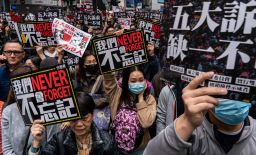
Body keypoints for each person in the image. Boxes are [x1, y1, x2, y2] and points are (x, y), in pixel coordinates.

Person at [144, 72, 256, 155]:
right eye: (222, 92)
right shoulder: (191, 134)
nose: (232, 99)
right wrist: (186, 123)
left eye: (240, 94)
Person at [28, 92, 119, 155]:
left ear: (92, 115)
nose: (79, 124)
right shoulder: (59, 139)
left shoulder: (107, 141)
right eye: (74, 119)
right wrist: (36, 141)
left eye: (84, 118)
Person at [1, 65, 60, 155]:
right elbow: (7, 149)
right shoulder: (8, 111)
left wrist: (36, 144)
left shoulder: (49, 108)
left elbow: (53, 147)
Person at [103, 66, 156, 154]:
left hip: (139, 148)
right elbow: (108, 78)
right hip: (116, 146)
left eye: (141, 80)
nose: (137, 83)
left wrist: (141, 98)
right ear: (126, 82)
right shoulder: (117, 94)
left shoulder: (150, 99)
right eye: (133, 81)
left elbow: (146, 122)